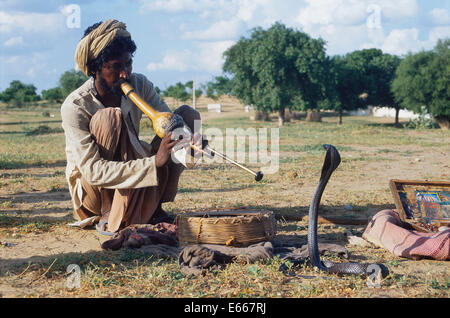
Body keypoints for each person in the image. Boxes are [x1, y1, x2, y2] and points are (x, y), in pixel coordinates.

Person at [61, 19, 200, 234]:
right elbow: (93, 171)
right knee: (109, 118)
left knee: (187, 117)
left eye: (128, 64)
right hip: (94, 195)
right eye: (116, 67)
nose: (125, 74)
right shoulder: (76, 105)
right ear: (94, 69)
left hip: (134, 170)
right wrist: (155, 162)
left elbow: (168, 121)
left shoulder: (140, 83)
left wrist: (187, 138)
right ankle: (110, 212)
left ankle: (154, 207)